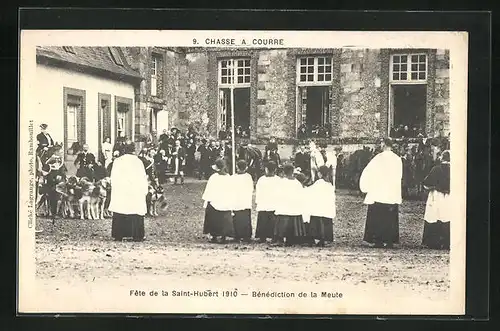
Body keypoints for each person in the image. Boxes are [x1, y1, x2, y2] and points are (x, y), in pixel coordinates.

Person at [359, 138, 402, 248]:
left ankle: (378, 240)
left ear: (384, 144)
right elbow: (399, 176)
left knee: (378, 216)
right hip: (391, 192)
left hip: (379, 192)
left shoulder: (378, 158)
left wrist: (366, 187)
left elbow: (368, 172)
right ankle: (389, 241)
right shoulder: (397, 159)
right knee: (389, 217)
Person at [108, 142, 149, 242]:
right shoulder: (138, 162)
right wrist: (144, 190)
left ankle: (119, 235)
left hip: (121, 190)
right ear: (133, 150)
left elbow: (113, 177)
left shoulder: (117, 161)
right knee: (135, 211)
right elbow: (142, 177)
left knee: (121, 210)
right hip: (134, 191)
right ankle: (137, 235)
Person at [421, 150, 451, 249]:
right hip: (449, 197)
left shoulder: (436, 169)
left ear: (441, 157)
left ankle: (434, 242)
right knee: (447, 217)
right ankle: (447, 242)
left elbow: (426, 183)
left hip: (436, 196)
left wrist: (433, 187)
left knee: (434, 216)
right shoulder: (455, 169)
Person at [202, 158, 234, 244]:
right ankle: (220, 236)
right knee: (222, 218)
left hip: (218, 201)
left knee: (214, 217)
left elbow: (209, 190)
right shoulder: (228, 178)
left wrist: (207, 200)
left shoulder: (215, 178)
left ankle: (217, 236)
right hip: (221, 201)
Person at [274, 164, 306, 246]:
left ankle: (280, 239)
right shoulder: (297, 183)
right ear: (293, 172)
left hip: (284, 207)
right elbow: (301, 196)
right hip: (293, 208)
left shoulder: (280, 182)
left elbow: (277, 194)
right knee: (292, 218)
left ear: (284, 172)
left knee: (282, 219)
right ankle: (291, 239)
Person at [304, 165, 336, 247]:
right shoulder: (329, 184)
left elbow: (310, 191)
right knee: (326, 222)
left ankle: (315, 238)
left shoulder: (319, 183)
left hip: (318, 208)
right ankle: (325, 239)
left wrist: (304, 188)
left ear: (320, 174)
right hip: (327, 208)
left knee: (315, 220)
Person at [254, 161, 280, 243]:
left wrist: (257, 201)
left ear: (266, 169)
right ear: (275, 169)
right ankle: (273, 236)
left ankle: (262, 236)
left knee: (263, 221)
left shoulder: (261, 180)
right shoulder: (278, 180)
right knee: (272, 221)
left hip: (264, 203)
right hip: (273, 204)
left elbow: (258, 191)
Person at [230, 160, 254, 243]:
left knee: (237, 218)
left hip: (237, 200)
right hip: (244, 200)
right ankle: (246, 235)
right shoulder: (248, 177)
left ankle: (237, 235)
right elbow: (251, 188)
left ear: (237, 167)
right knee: (245, 218)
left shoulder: (233, 177)